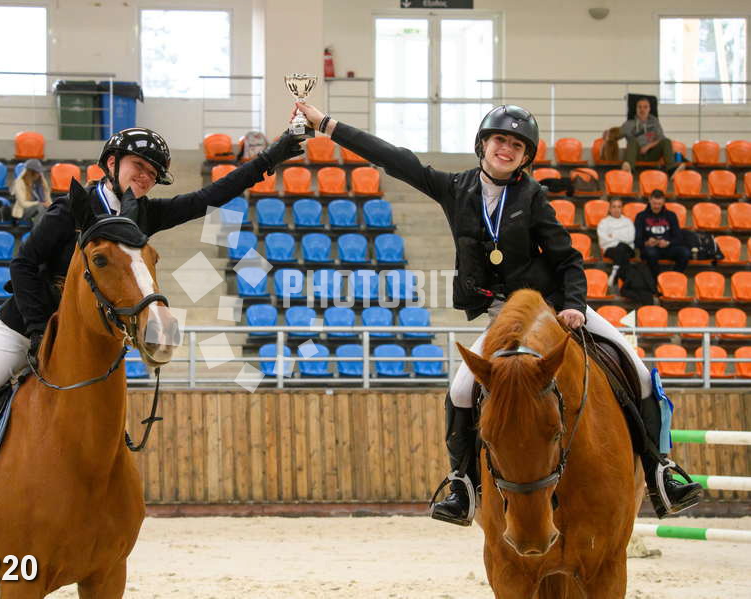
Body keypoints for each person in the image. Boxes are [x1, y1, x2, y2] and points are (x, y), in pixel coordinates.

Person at [0, 126, 304, 551]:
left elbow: (208, 196)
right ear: (111, 163)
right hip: (22, 330)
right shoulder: (69, 210)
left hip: (82, 343)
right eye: (139, 166)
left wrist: (273, 156)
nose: (145, 177)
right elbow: (23, 266)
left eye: (153, 173)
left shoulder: (142, 215)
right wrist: (39, 330)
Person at [293, 101, 701, 526]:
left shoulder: (533, 197)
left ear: (525, 157)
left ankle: (661, 470)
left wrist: (573, 306)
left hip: (550, 304)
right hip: (504, 314)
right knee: (460, 391)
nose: (506, 148)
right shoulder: (455, 189)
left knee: (638, 371)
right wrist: (327, 124)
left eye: (516, 145)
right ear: (483, 144)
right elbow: (394, 159)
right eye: (500, 139)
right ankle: (462, 486)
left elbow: (568, 260)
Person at [611, 96, 684, 175]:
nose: (642, 110)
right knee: (632, 140)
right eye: (639, 107)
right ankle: (629, 170)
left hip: (653, 154)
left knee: (666, 141)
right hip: (636, 154)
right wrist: (608, 134)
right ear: (636, 109)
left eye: (645, 107)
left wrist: (648, 146)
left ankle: (672, 170)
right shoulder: (628, 124)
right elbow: (616, 135)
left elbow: (661, 138)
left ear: (649, 109)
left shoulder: (654, 122)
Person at [634, 189, 690, 276]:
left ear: (664, 202)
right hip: (650, 249)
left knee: (685, 252)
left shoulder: (671, 215)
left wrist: (668, 243)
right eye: (654, 203)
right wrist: (646, 242)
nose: (656, 206)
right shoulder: (641, 216)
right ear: (649, 200)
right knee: (651, 253)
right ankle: (656, 279)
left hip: (668, 247)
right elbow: (637, 239)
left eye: (659, 204)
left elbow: (679, 237)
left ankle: (674, 276)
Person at [597, 197, 636, 288]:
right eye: (614, 207)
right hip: (610, 249)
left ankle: (615, 272)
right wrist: (621, 237)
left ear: (622, 208)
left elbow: (630, 238)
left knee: (622, 247)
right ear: (609, 209)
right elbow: (603, 241)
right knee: (621, 250)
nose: (616, 209)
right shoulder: (604, 222)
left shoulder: (628, 222)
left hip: (628, 248)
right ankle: (624, 280)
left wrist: (613, 235)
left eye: (619, 206)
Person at [10, 158, 52, 227]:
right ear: (30, 172)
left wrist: (51, 206)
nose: (40, 174)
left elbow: (48, 200)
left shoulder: (42, 183)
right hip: (24, 211)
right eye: (37, 172)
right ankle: (38, 230)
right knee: (41, 207)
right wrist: (39, 203)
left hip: (39, 210)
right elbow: (23, 204)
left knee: (54, 209)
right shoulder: (19, 183)